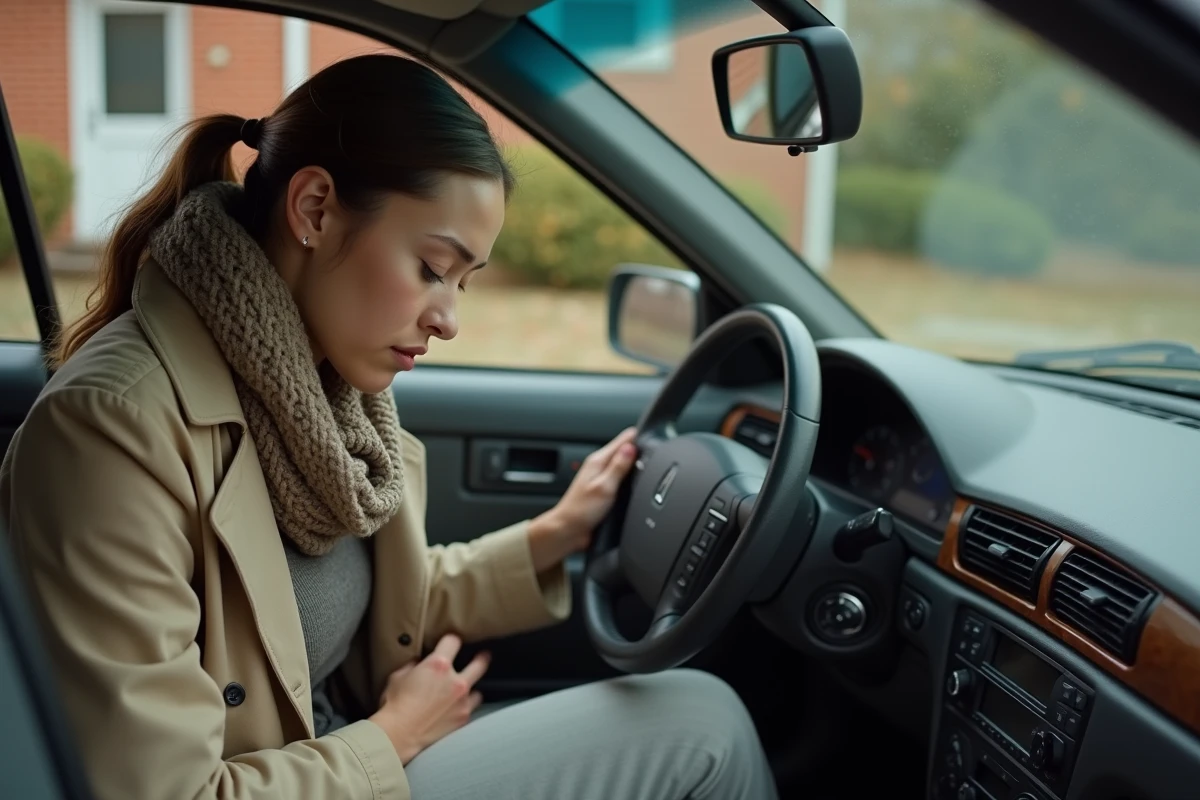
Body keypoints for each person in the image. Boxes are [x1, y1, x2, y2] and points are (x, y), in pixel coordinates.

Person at [0, 53, 777, 800]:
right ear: (314, 210)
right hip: (350, 766)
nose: (448, 320)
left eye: (466, 282)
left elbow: (371, 596)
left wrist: (555, 535)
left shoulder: (325, 384)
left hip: (352, 753)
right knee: (705, 726)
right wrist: (394, 736)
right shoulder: (110, 435)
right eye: (433, 269)